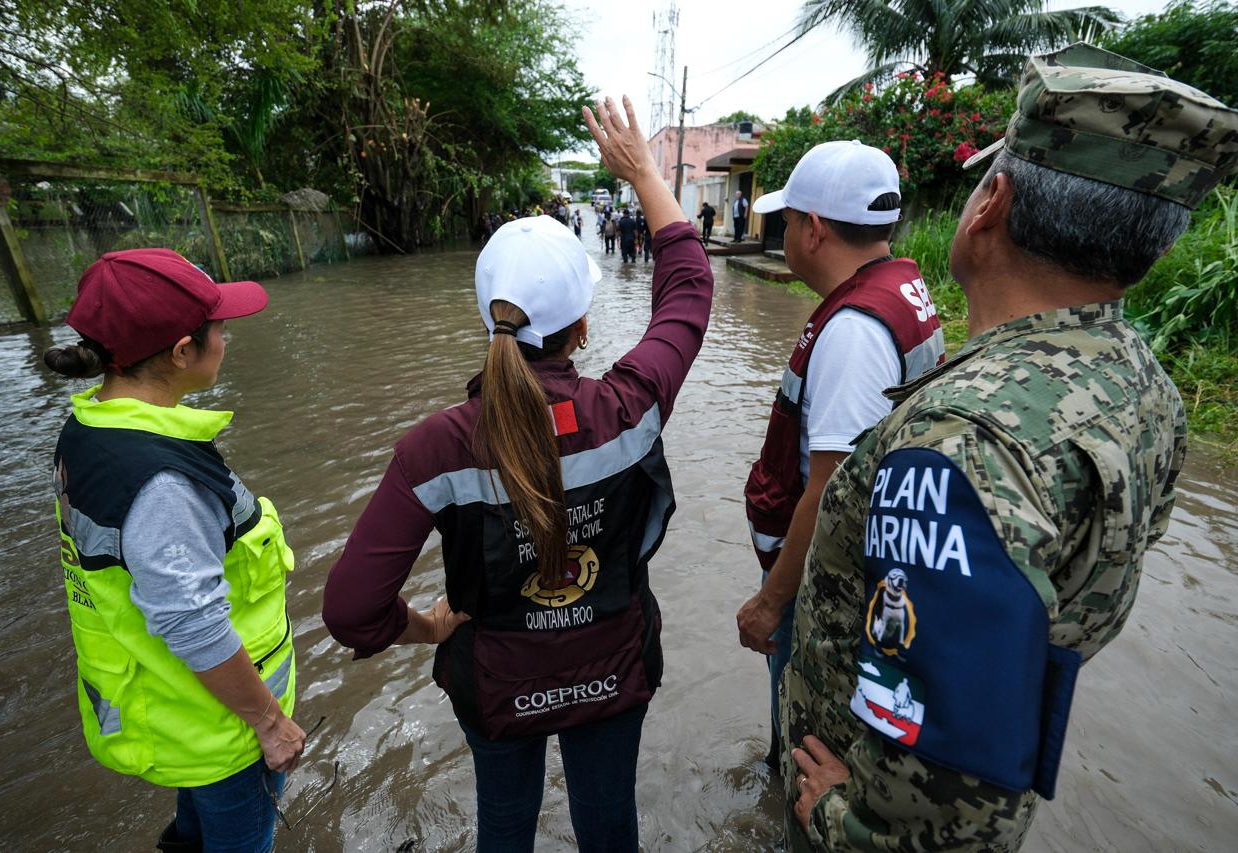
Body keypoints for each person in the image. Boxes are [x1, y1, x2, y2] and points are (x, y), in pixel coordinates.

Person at [780, 43, 1235, 852]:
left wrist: (837, 817)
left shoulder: (962, 435)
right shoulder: (1144, 382)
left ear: (991, 203)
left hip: (857, 788)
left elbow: (946, 809)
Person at [322, 95, 713, 853]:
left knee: (503, 829)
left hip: (497, 678)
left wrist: (428, 625)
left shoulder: (433, 448)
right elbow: (689, 288)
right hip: (611, 667)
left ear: (486, 319)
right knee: (609, 829)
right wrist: (641, 173)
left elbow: (349, 611)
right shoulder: (629, 409)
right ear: (584, 327)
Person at [44, 249, 305, 852]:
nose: (227, 337)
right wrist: (270, 723)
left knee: (196, 833)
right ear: (184, 351)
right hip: (221, 729)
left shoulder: (92, 428)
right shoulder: (162, 481)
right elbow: (193, 623)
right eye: (219, 328)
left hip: (173, 707)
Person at [736, 140, 945, 772]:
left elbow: (829, 491)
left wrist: (772, 600)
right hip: (875, 571)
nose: (784, 231)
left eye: (789, 219)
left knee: (805, 746)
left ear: (815, 229)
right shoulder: (900, 290)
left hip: (832, 586)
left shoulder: (855, 332)